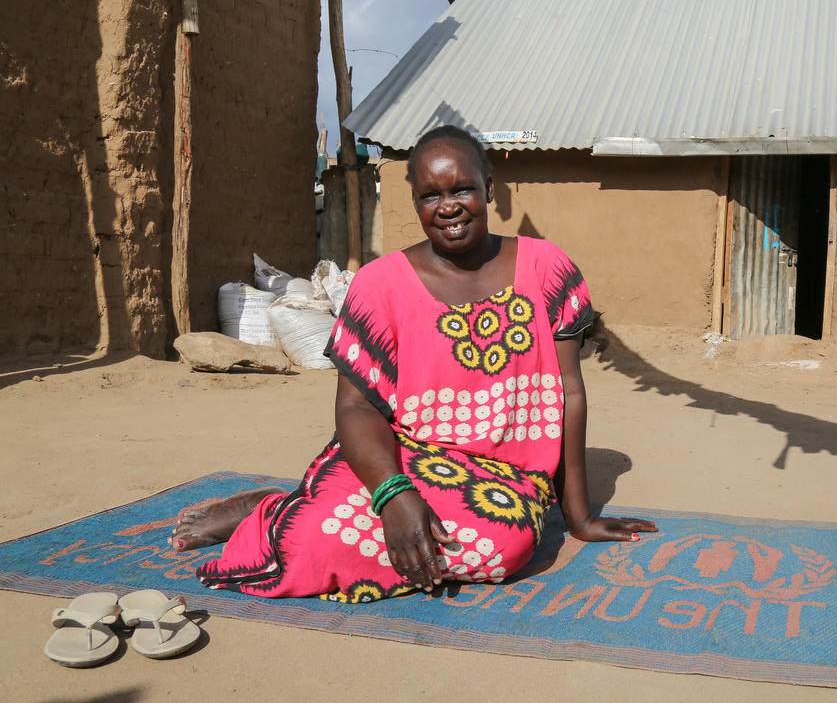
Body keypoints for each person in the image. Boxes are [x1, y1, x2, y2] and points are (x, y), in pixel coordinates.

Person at [170, 125, 656, 602]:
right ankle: (274, 509)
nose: (448, 207)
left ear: (489, 188)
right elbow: (356, 409)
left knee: (506, 549)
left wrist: (579, 516)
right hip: (403, 457)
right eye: (430, 196)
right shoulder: (380, 284)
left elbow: (568, 392)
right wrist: (395, 497)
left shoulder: (547, 267)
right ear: (416, 202)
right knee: (306, 545)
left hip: (506, 478)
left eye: (462, 189)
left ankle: (293, 502)